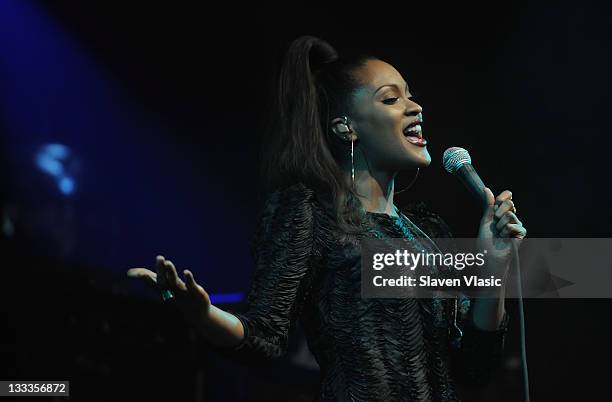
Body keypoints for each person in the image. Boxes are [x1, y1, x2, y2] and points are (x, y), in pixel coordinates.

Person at [127, 36, 527, 401]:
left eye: (411, 96)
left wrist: (495, 266)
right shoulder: (311, 213)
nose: (415, 106)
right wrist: (203, 315)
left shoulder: (428, 234)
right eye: (390, 99)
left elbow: (474, 368)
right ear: (346, 127)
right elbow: (264, 336)